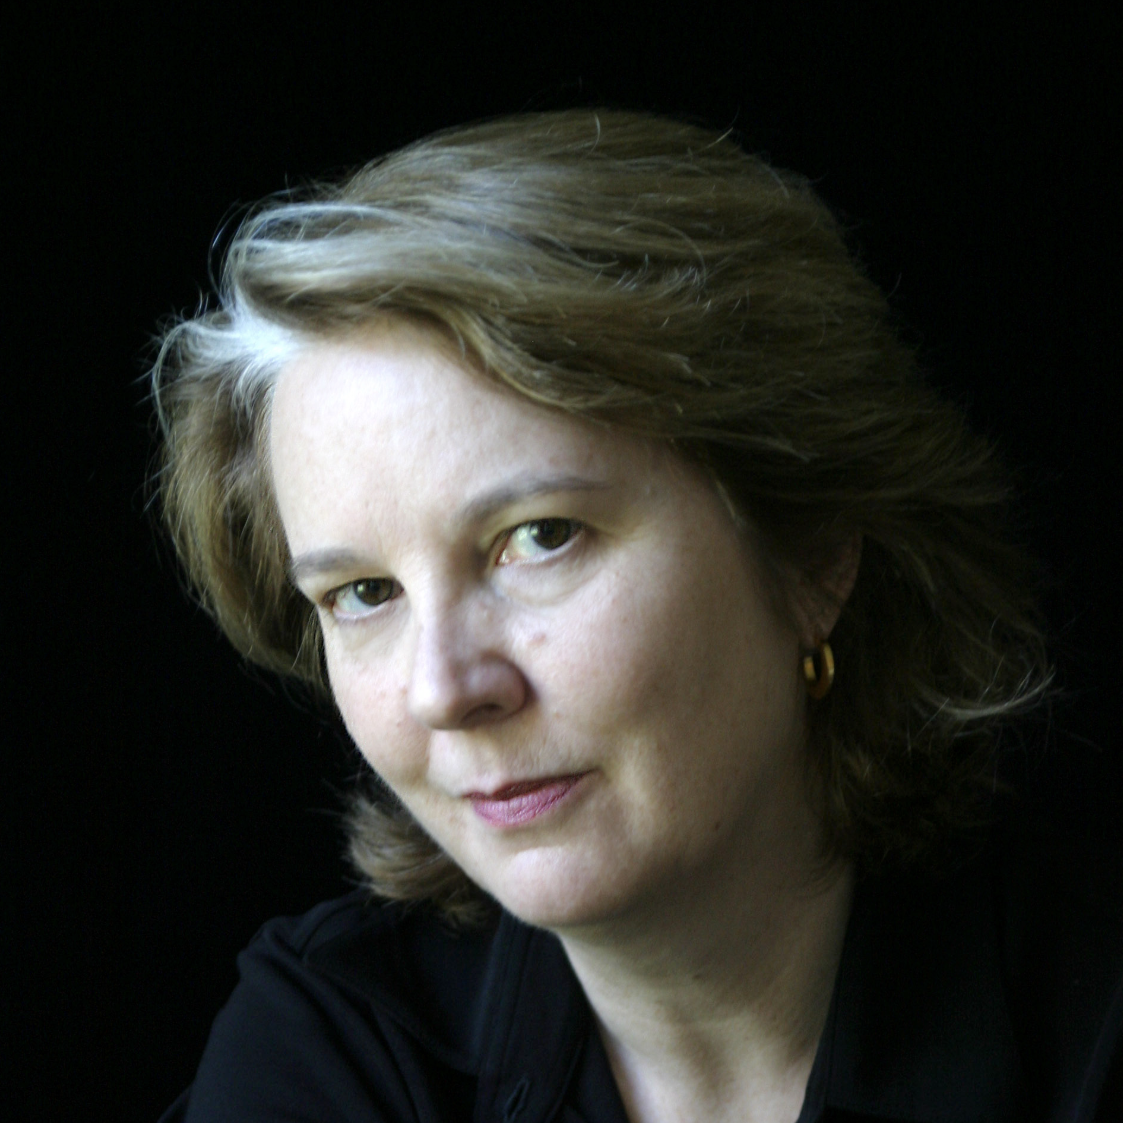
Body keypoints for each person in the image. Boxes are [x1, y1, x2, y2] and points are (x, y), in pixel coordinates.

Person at [151, 110, 1122, 1122]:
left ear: (812, 552)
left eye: (539, 536)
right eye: (363, 593)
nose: (443, 689)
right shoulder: (335, 1044)